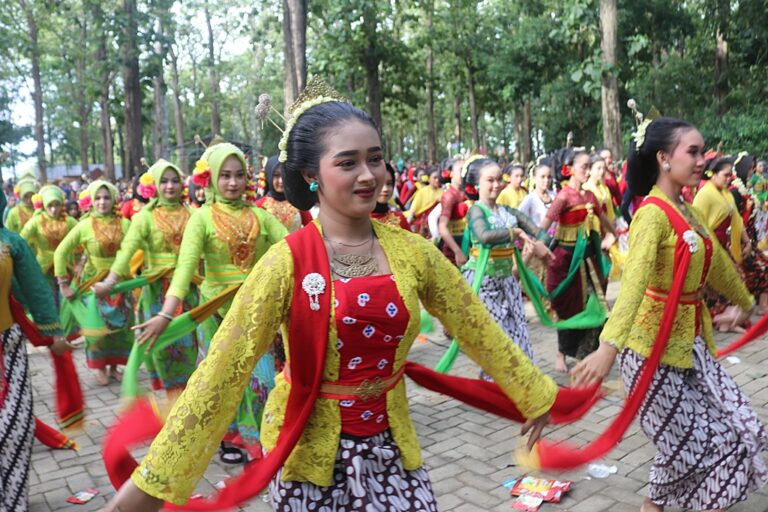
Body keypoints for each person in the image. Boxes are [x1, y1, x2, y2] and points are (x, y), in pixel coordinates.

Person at [106, 85, 555, 512]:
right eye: (347, 163)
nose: (368, 175)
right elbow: (222, 372)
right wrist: (150, 483)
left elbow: (474, 324)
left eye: (375, 159)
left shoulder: (412, 251)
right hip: (306, 456)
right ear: (309, 174)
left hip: (391, 448)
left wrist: (532, 392)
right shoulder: (286, 263)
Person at [573, 117, 767, 512]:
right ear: (663, 158)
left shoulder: (688, 211)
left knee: (739, 429)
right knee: (692, 444)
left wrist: (748, 304)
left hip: (690, 349)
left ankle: (653, 507)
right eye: (692, 152)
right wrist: (608, 348)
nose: (702, 161)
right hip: (649, 353)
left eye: (702, 152)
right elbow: (633, 287)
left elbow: (718, 267)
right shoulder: (652, 215)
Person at [132, 142, 288, 463]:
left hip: (256, 313)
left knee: (260, 379)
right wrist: (165, 312)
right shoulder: (201, 218)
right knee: (219, 381)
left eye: (238, 176)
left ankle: (260, 443)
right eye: (225, 175)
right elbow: (185, 269)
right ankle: (229, 439)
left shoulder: (261, 215)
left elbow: (293, 246)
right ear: (212, 179)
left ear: (248, 178)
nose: (232, 183)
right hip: (214, 314)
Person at [94, 160, 198, 397]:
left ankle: (187, 398)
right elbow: (126, 252)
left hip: (190, 291)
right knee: (161, 348)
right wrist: (111, 281)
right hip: (155, 294)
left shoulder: (194, 214)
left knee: (188, 346)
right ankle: (174, 401)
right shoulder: (144, 218)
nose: (170, 186)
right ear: (154, 185)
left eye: (174, 180)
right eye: (164, 181)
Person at [1, 179, 73, 512]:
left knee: (13, 428)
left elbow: (34, 290)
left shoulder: (9, 243)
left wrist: (54, 332)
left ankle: (13, 501)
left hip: (8, 349)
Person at [462, 157, 552, 368]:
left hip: (508, 281)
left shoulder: (508, 211)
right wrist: (516, 233)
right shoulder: (476, 210)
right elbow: (484, 236)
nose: (496, 185)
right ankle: (496, 386)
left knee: (519, 331)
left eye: (498, 180)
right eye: (489, 180)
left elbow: (539, 231)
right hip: (484, 281)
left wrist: (542, 244)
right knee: (496, 337)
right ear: (477, 184)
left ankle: (523, 381)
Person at [540, 150, 616, 373]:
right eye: (583, 166)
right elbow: (544, 226)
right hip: (565, 260)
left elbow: (605, 220)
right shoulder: (564, 196)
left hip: (588, 260)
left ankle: (585, 355)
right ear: (569, 169)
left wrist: (614, 235)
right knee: (567, 307)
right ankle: (561, 353)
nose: (587, 170)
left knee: (596, 305)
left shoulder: (591, 196)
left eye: (588, 165)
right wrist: (537, 246)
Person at [54, 180, 133, 386]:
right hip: (93, 285)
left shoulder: (125, 224)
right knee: (96, 329)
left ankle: (115, 367)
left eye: (107, 197)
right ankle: (100, 368)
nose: (102, 202)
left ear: (114, 199)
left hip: (120, 283)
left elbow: (136, 248)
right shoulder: (84, 225)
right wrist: (63, 283)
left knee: (121, 328)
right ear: (91, 200)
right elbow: (61, 252)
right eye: (98, 198)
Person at [20, 185, 78, 307]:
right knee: (48, 299)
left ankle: (66, 324)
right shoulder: (36, 221)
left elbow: (84, 238)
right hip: (43, 267)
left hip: (66, 266)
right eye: (50, 205)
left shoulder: (69, 221)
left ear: (62, 204)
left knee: (67, 302)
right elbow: (21, 240)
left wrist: (82, 262)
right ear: (44, 205)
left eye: (57, 205)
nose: (53, 209)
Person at [255, 155, 312, 232]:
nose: (281, 181)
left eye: (284, 175)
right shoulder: (259, 206)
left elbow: (312, 229)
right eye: (276, 175)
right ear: (269, 176)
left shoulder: (298, 203)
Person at [437, 156, 469, 265]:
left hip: (470, 245)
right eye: (461, 170)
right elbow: (442, 227)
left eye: (466, 170)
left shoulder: (469, 192)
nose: (464, 173)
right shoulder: (449, 195)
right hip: (454, 248)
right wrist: (457, 251)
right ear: (450, 173)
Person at [370, 162, 409, 229]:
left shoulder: (399, 219)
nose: (385, 189)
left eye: (389, 183)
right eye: (379, 184)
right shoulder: (358, 222)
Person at [405, 168, 442, 237]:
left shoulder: (443, 192)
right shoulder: (422, 192)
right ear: (428, 179)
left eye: (438, 177)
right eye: (435, 178)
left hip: (439, 226)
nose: (437, 180)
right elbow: (413, 210)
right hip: (423, 227)